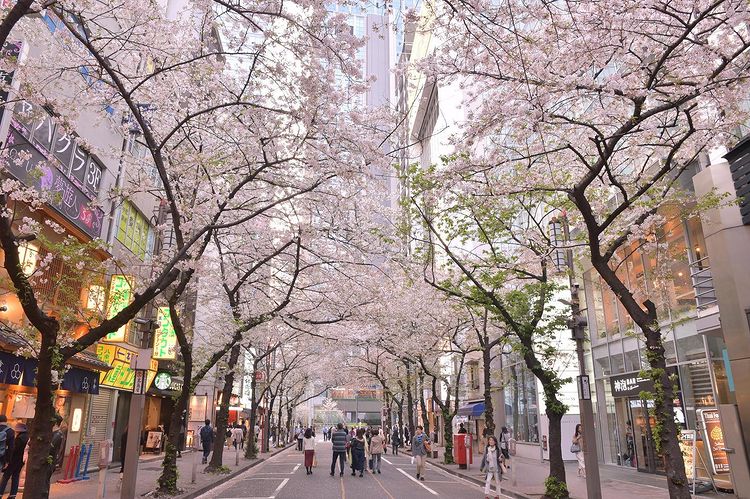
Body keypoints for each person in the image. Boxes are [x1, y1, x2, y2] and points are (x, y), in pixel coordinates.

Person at [0, 421, 28, 499]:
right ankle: (13, 495)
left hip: (13, 460)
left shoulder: (19, 438)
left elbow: (13, 450)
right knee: (15, 476)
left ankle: (0, 493)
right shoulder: (27, 437)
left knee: (5, 477)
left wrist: (8, 460)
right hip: (20, 461)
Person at [42, 414, 64, 498]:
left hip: (50, 462)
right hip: (51, 461)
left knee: (44, 482)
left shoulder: (57, 435)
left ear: (54, 423)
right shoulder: (56, 434)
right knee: (45, 481)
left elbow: (50, 448)